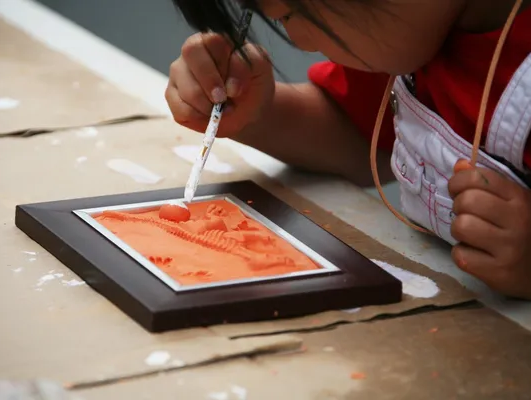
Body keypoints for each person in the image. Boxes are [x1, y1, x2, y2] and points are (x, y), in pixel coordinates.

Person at [164, 0, 531, 299]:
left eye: (294, 13)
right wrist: (258, 115)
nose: (302, 41)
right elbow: (359, 135)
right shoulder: (421, 35)